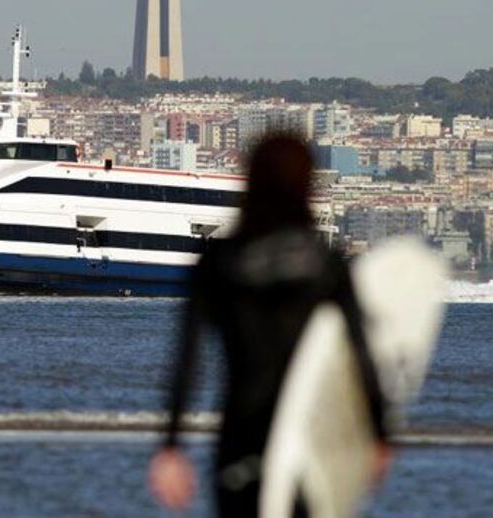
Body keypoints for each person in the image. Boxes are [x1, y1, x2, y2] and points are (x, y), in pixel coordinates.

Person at [148, 132, 392, 517]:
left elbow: (187, 361)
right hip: (310, 443)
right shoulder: (325, 263)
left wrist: (171, 447)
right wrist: (379, 435)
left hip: (240, 438)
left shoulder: (219, 261)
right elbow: (362, 353)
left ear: (251, 180)